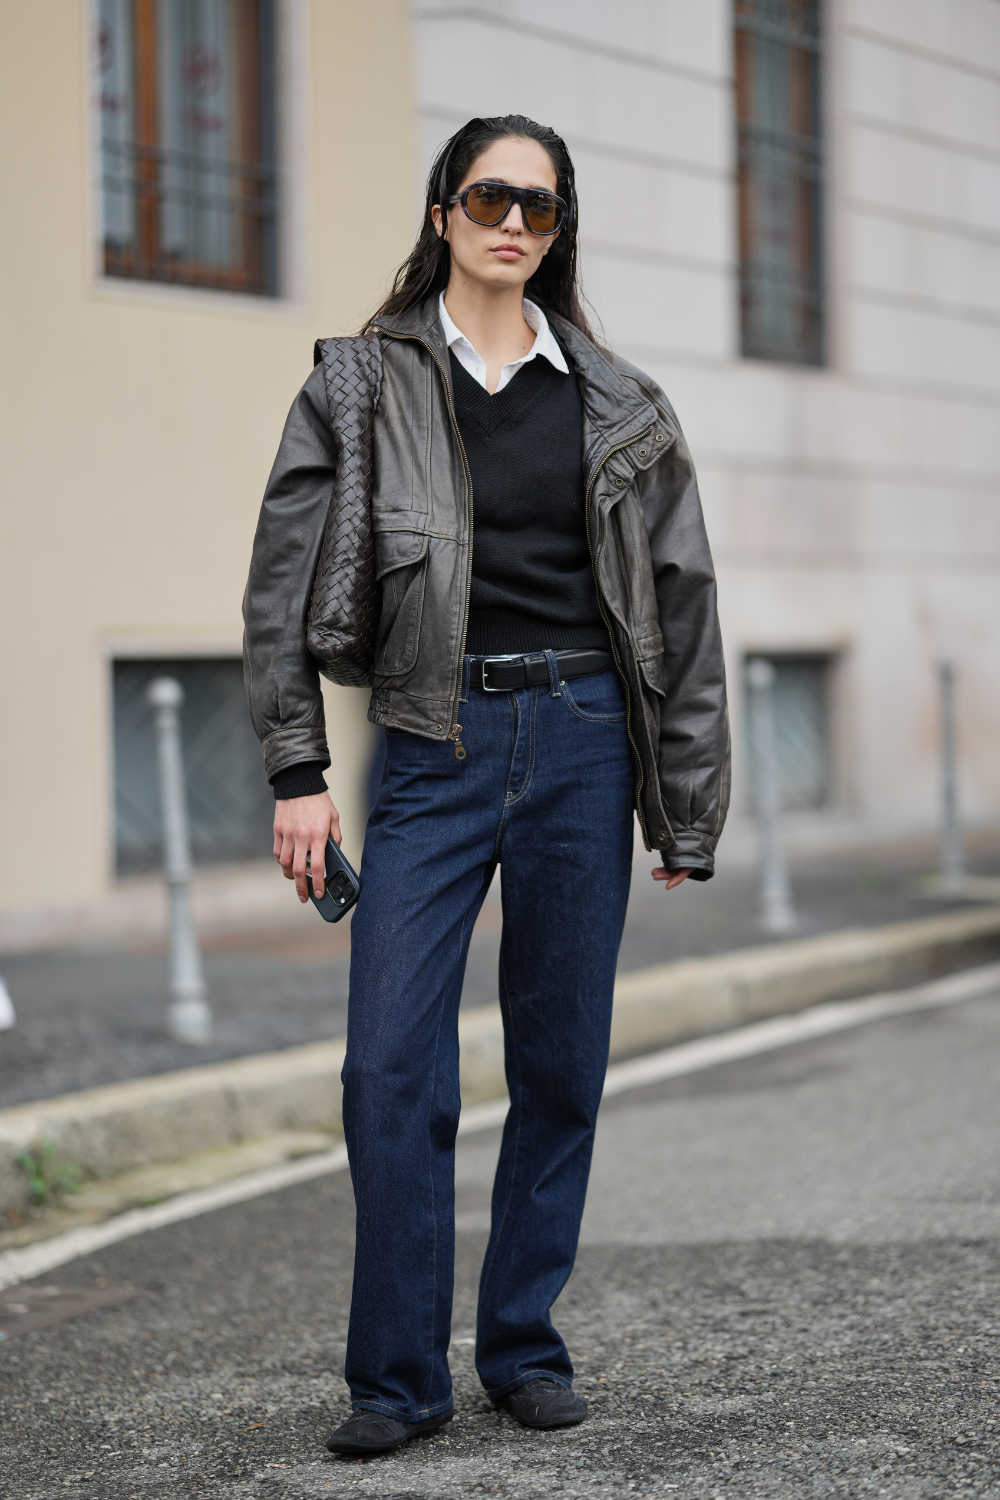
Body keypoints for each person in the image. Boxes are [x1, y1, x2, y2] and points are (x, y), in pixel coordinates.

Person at [243, 114, 729, 1456]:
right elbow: (282, 584)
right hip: (432, 738)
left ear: (559, 230)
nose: (514, 221)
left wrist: (683, 804)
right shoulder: (364, 381)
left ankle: (523, 1343)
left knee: (560, 1062)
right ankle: (397, 1382)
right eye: (490, 196)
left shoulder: (622, 402)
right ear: (445, 211)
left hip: (582, 741)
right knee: (389, 1069)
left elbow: (682, 615)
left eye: (541, 205)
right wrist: (299, 768)